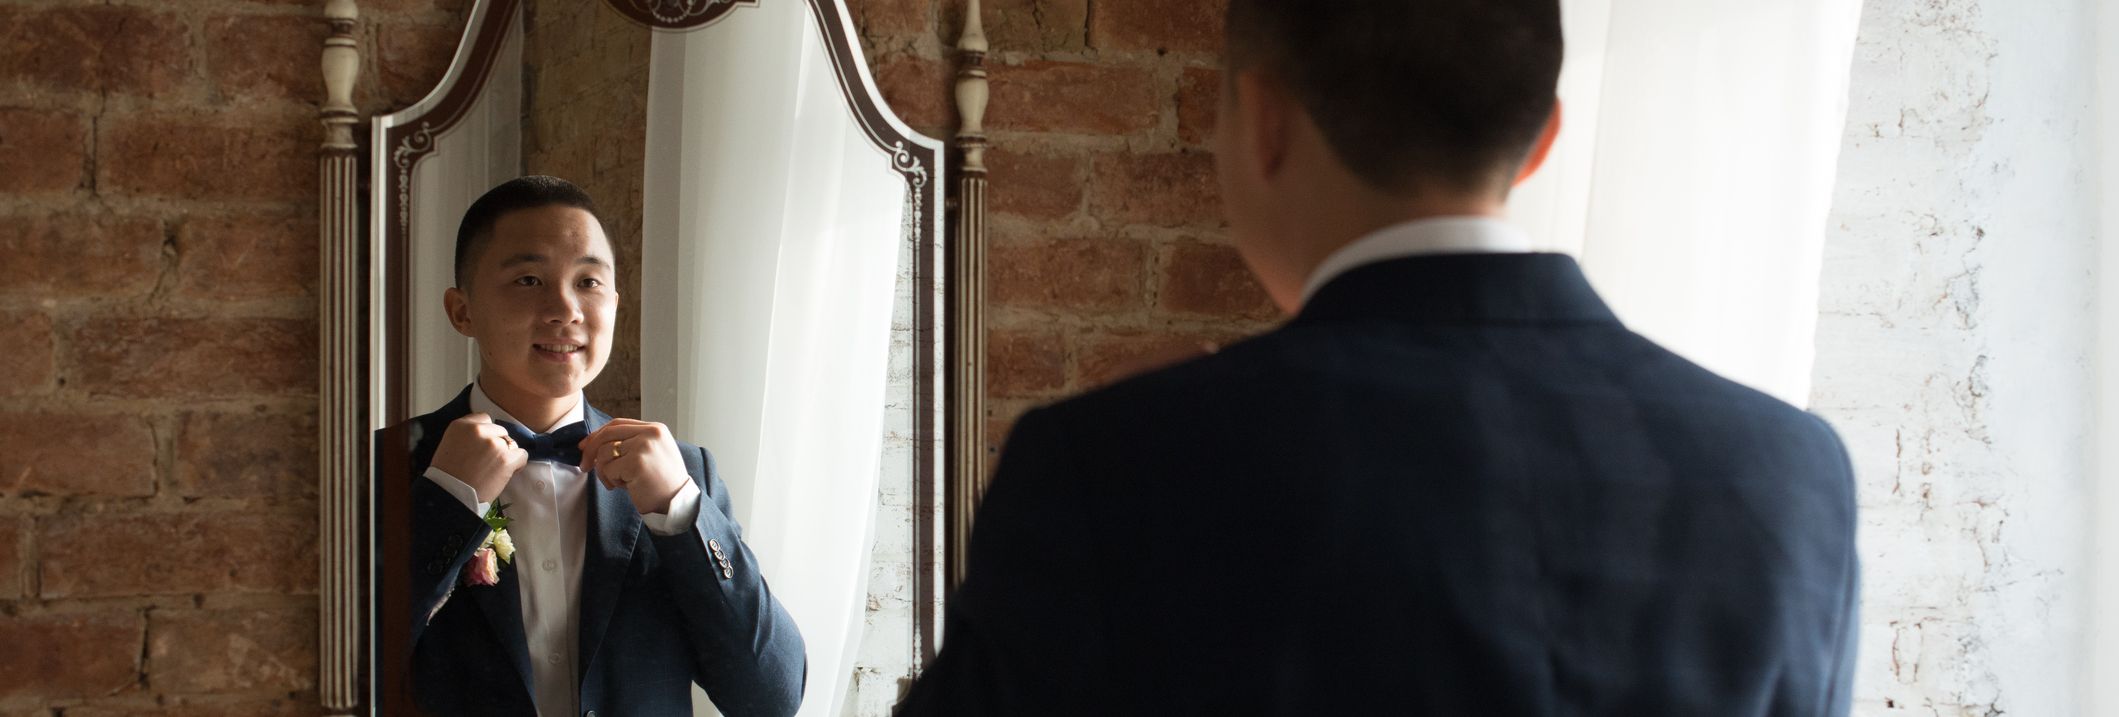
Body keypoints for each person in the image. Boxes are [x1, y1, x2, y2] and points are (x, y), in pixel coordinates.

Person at [896, 0, 1859, 714]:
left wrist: (1134, 448)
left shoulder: (1110, 466)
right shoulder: (1793, 474)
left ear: (1263, 120)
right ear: (1538, 145)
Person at [379, 176, 805, 716]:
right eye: (529, 280)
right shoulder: (378, 468)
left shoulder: (685, 472)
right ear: (462, 311)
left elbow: (772, 697)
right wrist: (446, 503)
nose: (566, 308)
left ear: (615, 304)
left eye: (588, 282)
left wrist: (680, 511)